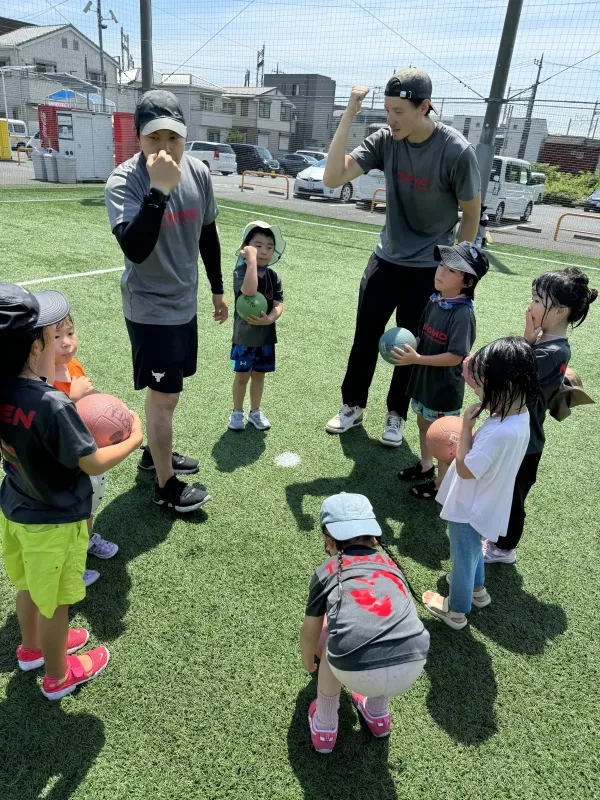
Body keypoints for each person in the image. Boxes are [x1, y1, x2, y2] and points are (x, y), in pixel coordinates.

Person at [324, 68, 481, 447]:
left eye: (399, 112)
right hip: (387, 257)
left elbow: (471, 214)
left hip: (430, 267)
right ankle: (352, 406)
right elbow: (332, 178)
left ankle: (396, 414)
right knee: (365, 338)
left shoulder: (456, 150)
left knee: (411, 346)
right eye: (387, 110)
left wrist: (457, 271)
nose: (391, 119)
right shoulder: (385, 140)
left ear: (424, 107)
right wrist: (349, 113)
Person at [0, 283, 143, 699]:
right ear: (33, 348)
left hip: (15, 508)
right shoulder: (51, 404)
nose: (60, 341)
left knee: (27, 586)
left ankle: (30, 650)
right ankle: (58, 674)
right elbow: (93, 462)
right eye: (51, 333)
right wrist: (133, 437)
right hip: (55, 518)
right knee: (56, 602)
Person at [105, 89, 229, 513]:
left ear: (185, 136)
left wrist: (216, 287)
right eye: (153, 138)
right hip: (149, 307)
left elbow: (208, 232)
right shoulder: (125, 181)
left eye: (172, 137)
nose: (164, 147)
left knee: (169, 393)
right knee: (164, 396)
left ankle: (153, 453)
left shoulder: (198, 171)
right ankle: (165, 484)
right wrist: (157, 191)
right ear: (138, 139)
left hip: (184, 302)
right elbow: (135, 247)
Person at [423, 337, 539, 630]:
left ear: (505, 385)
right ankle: (478, 590)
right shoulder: (521, 416)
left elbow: (464, 469)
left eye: (480, 385)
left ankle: (457, 611)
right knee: (472, 549)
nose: (476, 390)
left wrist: (465, 429)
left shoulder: (496, 432)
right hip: (489, 502)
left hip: (469, 507)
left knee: (462, 556)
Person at [484, 267, 597, 564]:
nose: (530, 306)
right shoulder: (543, 342)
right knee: (501, 487)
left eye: (537, 299)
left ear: (560, 311)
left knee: (512, 496)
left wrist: (524, 339)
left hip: (525, 439)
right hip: (515, 431)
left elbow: (511, 372)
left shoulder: (555, 351)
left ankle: (503, 549)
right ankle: (496, 536)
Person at [300, 493, 430, 753]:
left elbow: (310, 629)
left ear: (328, 538)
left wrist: (307, 660)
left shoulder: (327, 571)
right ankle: (378, 715)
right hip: (412, 665)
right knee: (381, 631)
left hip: (354, 667)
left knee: (328, 642)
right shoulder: (392, 564)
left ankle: (325, 726)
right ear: (374, 536)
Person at [395, 242, 488, 499]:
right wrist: (407, 342)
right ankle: (426, 466)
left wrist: (417, 357)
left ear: (467, 282)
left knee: (444, 438)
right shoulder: (435, 300)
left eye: (450, 270)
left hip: (444, 387)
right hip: (424, 379)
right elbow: (421, 333)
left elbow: (455, 357)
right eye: (441, 265)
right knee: (423, 422)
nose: (440, 272)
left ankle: (441, 484)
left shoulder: (462, 314)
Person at [53, 311, 118, 587]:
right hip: (64, 464)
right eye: (57, 337)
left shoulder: (74, 367)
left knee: (89, 504)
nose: (67, 342)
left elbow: (91, 404)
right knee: (68, 515)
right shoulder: (41, 379)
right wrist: (73, 396)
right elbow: (51, 417)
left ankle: (88, 540)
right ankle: (71, 567)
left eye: (70, 333)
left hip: (87, 451)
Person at [228, 221, 285, 432]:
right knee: (242, 376)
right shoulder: (241, 272)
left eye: (269, 247)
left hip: (266, 338)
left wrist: (271, 318)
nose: (264, 251)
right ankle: (236, 412)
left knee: (259, 375)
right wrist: (250, 261)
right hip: (244, 337)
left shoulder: (274, 276)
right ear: (247, 247)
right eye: (258, 246)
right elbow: (249, 292)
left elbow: (279, 302)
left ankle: (255, 411)